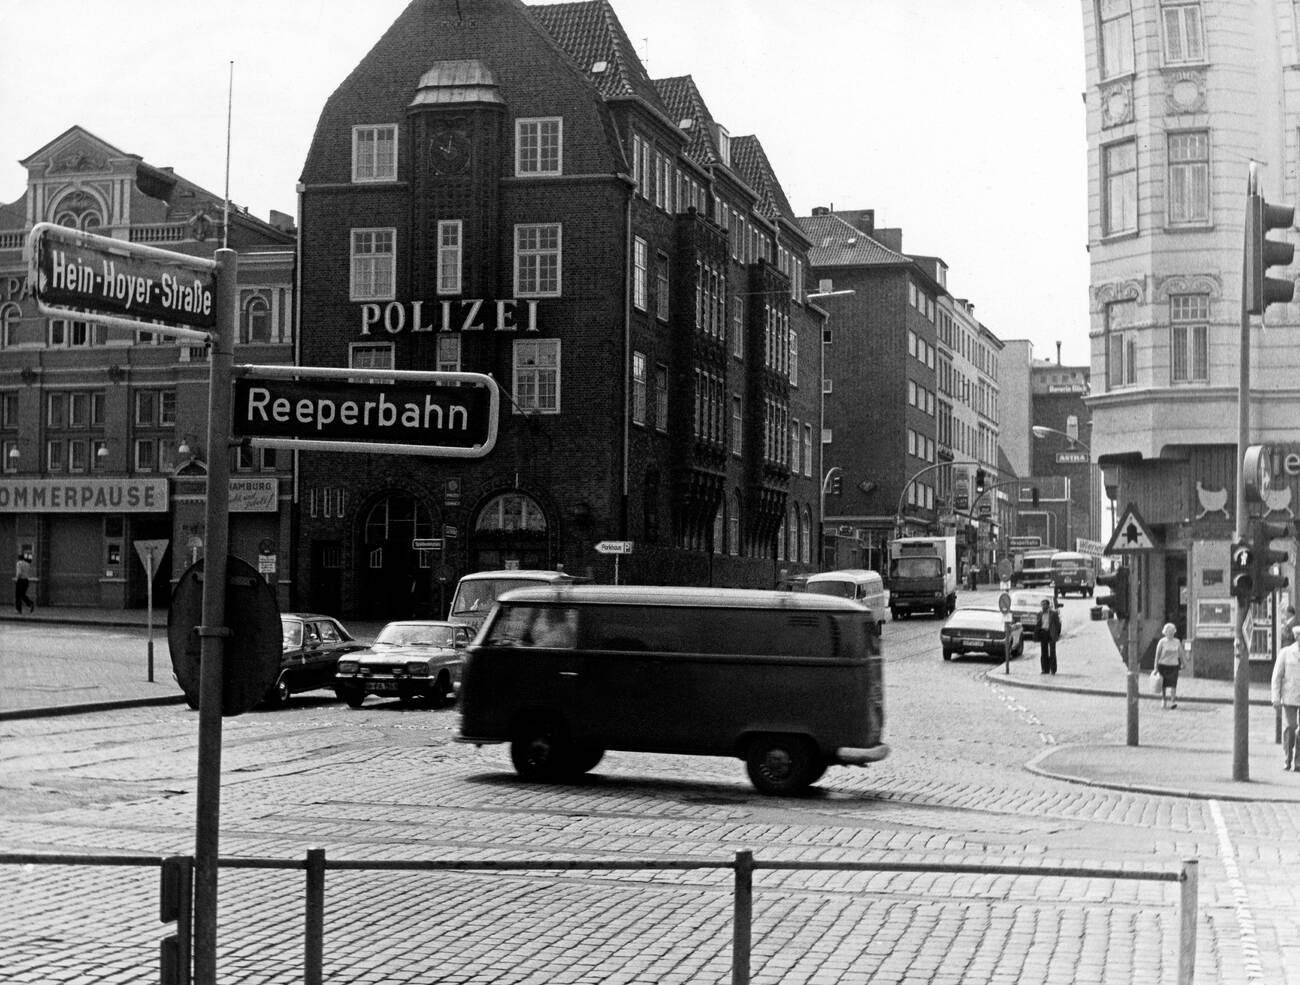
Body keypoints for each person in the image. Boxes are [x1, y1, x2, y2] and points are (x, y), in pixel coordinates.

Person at [1272, 633, 1300, 771]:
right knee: (1290, 727)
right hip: (1289, 697)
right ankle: (1287, 759)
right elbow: (1277, 676)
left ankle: (1298, 762)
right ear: (1297, 637)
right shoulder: (1286, 653)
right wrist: (1275, 698)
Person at [1154, 622, 1184, 710]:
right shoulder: (1161, 642)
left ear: (1174, 632)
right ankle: (1163, 699)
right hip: (1163, 665)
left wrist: (1183, 663)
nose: (1170, 633)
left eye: (1172, 632)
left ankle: (1173, 701)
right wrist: (1155, 667)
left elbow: (1181, 654)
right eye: (1168, 631)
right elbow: (1157, 655)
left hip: (1174, 666)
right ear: (1165, 632)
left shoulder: (1177, 642)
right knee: (1163, 684)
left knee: (1173, 684)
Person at [1036, 598, 1060, 675]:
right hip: (1043, 633)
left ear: (1048, 605)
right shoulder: (1039, 614)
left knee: (1052, 652)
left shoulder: (1053, 613)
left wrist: (1056, 634)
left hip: (1051, 633)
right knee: (1044, 652)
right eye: (1042, 605)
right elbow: (1038, 624)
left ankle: (1053, 669)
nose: (1043, 606)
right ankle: (1045, 669)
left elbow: (1058, 624)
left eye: (1044, 605)